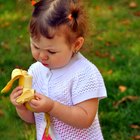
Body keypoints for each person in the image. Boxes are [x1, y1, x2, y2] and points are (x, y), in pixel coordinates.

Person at [10, 0, 107, 140]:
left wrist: (52, 107)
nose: (42, 56)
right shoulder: (35, 72)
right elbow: (33, 119)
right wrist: (21, 107)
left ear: (76, 44)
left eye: (51, 51)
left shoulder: (85, 73)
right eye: (36, 47)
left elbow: (85, 119)